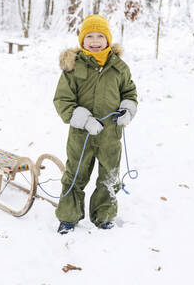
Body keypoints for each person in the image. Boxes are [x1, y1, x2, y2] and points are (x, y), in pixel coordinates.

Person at [53, 14, 138, 234]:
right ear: (82, 39)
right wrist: (84, 120)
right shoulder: (74, 67)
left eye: (100, 36)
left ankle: (104, 216)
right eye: (89, 36)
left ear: (108, 39)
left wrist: (127, 110)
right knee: (75, 174)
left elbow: (129, 92)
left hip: (110, 133)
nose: (95, 40)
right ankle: (69, 217)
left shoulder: (119, 68)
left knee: (109, 177)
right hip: (81, 135)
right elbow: (62, 100)